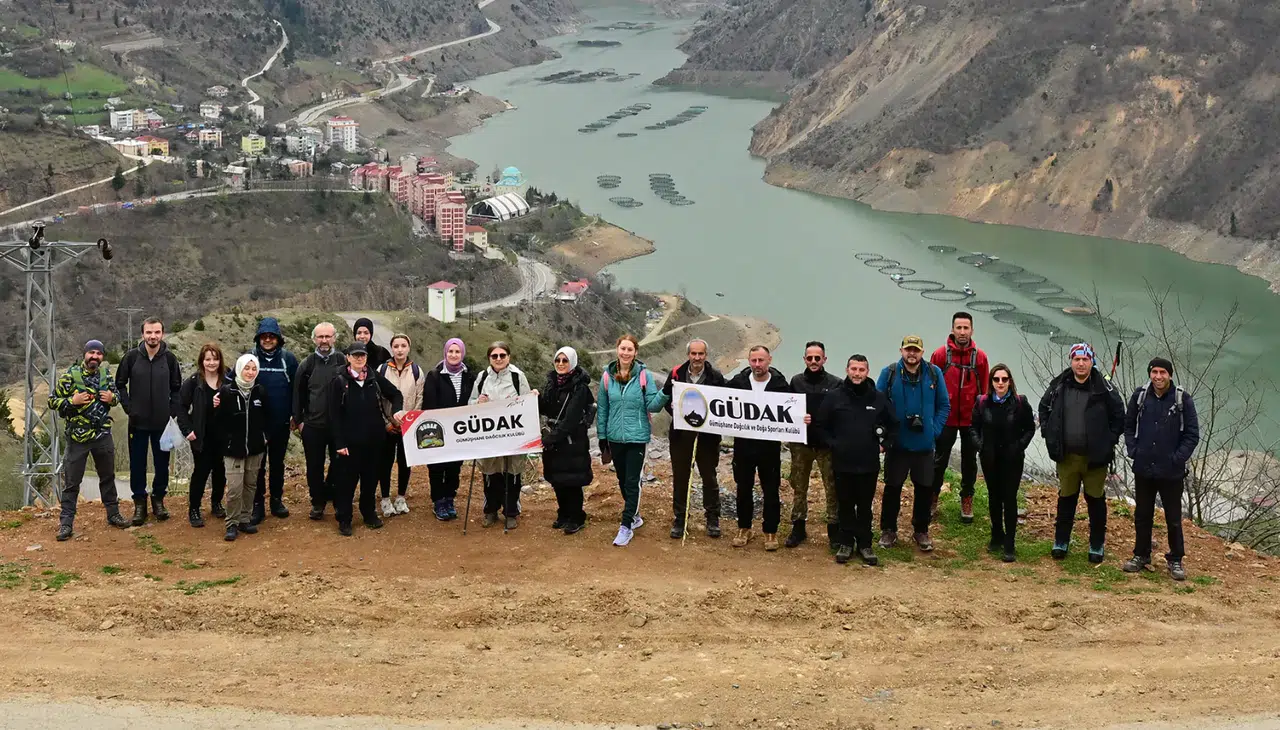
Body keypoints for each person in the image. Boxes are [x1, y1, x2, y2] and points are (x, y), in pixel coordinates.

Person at [1038, 343, 1125, 563]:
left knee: (1095, 501)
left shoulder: (1103, 388)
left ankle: (1096, 544)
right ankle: (1061, 541)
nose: (1080, 363)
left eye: (1085, 360)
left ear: (1091, 362)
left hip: (1095, 458)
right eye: (1077, 359)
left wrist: (1109, 440)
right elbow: (1043, 407)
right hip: (1067, 456)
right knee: (1066, 499)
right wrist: (1049, 433)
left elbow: (1119, 415)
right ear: (1071, 361)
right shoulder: (1059, 384)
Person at [811, 354, 897, 566]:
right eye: (853, 369)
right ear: (847, 370)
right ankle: (846, 543)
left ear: (867, 372)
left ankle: (865, 545)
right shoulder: (834, 396)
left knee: (865, 506)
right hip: (842, 463)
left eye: (861, 370)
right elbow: (820, 425)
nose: (857, 373)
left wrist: (884, 444)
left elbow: (894, 425)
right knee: (846, 505)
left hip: (868, 463)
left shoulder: (878, 398)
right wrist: (834, 444)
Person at [1122, 357, 1200, 581]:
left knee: (1173, 517)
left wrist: (1177, 459)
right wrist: (1133, 450)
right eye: (1154, 372)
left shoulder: (1182, 399)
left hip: (1171, 471)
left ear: (1170, 375)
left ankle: (1175, 559)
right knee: (1142, 515)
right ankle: (1141, 555)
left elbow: (1192, 435)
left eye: (1162, 372)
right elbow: (1128, 426)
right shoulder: (1140, 396)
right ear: (1150, 373)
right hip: (1144, 467)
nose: (1158, 376)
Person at [48, 339, 129, 540]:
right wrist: (71, 401)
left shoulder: (105, 375)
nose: (95, 357)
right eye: (91, 353)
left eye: (99, 354)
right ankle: (66, 524)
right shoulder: (70, 376)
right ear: (85, 354)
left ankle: (113, 514)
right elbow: (52, 401)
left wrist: (112, 399)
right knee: (72, 483)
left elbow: (117, 396)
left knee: (108, 477)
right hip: (78, 438)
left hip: (102, 434)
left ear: (102, 357)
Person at [876, 335, 950, 552]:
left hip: (924, 446)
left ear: (922, 352)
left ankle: (921, 530)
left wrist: (932, 430)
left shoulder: (934, 374)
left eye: (915, 350)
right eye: (908, 349)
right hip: (897, 446)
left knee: (925, 489)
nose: (911, 354)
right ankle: (888, 530)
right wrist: (885, 435)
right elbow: (878, 405)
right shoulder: (889, 373)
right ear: (901, 351)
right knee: (892, 489)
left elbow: (944, 405)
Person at [598, 334, 668, 547]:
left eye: (630, 349)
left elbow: (653, 406)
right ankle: (635, 515)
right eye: (623, 349)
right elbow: (603, 408)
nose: (626, 353)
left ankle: (626, 526)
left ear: (635, 352)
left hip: (637, 437)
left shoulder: (644, 376)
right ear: (617, 350)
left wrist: (666, 391)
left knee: (632, 481)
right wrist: (602, 437)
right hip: (615, 437)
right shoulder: (607, 377)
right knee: (622, 480)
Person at [328, 342, 405, 536]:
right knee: (347, 482)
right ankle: (344, 519)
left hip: (374, 440)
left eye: (362, 355)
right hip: (350, 443)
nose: (359, 358)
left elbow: (396, 393)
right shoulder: (339, 381)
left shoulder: (373, 376)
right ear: (348, 357)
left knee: (370, 480)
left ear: (366, 357)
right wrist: (339, 443)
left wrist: (396, 411)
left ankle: (368, 513)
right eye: (355, 355)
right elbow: (334, 415)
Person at [115, 317, 182, 526]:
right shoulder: (132, 358)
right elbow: (120, 384)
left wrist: (171, 411)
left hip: (163, 425)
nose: (153, 336)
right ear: (142, 334)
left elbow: (177, 388)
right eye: (149, 332)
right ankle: (140, 504)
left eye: (157, 332)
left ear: (162, 334)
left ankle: (158, 500)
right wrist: (129, 408)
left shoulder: (170, 359)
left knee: (162, 466)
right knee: (137, 465)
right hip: (138, 423)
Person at [725, 345, 791, 551]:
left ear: (769, 360)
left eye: (761, 360)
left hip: (769, 448)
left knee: (771, 490)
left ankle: (770, 531)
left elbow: (791, 412)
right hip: (743, 446)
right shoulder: (738, 383)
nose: (757, 365)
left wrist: (801, 419)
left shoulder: (781, 385)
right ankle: (744, 527)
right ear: (748, 360)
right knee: (743, 488)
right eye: (753, 360)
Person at [661, 338, 726, 539]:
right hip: (681, 436)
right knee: (681, 478)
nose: (697, 358)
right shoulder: (676, 374)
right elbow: (666, 398)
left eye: (701, 354)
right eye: (693, 354)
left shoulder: (716, 377)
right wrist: (674, 411)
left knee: (709, 477)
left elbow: (724, 404)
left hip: (708, 438)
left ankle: (712, 518)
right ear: (688, 354)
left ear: (706, 355)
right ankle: (680, 518)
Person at [929, 312, 989, 524]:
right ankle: (932, 498)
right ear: (952, 329)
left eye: (966, 328)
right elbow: (930, 388)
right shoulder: (939, 355)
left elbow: (985, 392)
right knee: (938, 461)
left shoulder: (979, 357)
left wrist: (984, 419)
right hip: (945, 418)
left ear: (972, 330)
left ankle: (967, 499)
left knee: (969, 462)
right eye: (959, 328)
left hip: (970, 419)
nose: (962, 332)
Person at [972, 364, 1036, 562]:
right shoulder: (982, 402)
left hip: (1012, 459)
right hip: (989, 458)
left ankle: (1010, 542)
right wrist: (980, 446)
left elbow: (1030, 428)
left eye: (1004, 379)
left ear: (1010, 381)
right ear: (991, 382)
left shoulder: (1020, 403)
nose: (1000, 383)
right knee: (993, 497)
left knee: (1009, 498)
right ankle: (996, 535)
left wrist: (1019, 446)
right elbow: (973, 427)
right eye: (996, 379)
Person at [470, 341, 530, 530]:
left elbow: (527, 403)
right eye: (494, 356)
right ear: (489, 358)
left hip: (512, 436)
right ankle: (490, 511)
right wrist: (477, 402)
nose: (498, 359)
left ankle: (511, 512)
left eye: (502, 355)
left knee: (512, 473)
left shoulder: (517, 377)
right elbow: (470, 403)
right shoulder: (482, 377)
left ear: (508, 357)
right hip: (488, 436)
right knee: (490, 474)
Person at [787, 341, 842, 549]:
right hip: (801, 443)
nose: (813, 361)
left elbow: (840, 412)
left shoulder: (836, 383)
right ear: (804, 359)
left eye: (817, 358)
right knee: (799, 486)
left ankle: (834, 530)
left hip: (826, 445)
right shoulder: (796, 381)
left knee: (832, 487)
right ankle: (798, 527)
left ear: (824, 359)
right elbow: (786, 409)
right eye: (809, 358)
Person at [539, 347, 594, 535]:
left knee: (572, 480)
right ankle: (563, 514)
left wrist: (550, 439)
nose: (561, 364)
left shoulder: (580, 387)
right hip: (556, 438)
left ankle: (576, 517)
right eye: (558, 360)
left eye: (565, 360)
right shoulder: (552, 383)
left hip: (572, 440)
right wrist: (535, 399)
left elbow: (571, 419)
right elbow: (546, 407)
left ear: (572, 362)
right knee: (558, 478)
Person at [213, 354, 268, 541]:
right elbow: (218, 421)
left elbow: (267, 419)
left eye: (254, 369)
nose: (250, 372)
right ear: (239, 369)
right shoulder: (227, 392)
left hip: (255, 448)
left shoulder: (260, 392)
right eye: (247, 368)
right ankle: (232, 523)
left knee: (250, 485)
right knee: (234, 489)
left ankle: (245, 519)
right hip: (233, 450)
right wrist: (226, 443)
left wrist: (264, 439)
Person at [249, 317, 298, 525]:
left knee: (277, 463)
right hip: (256, 424)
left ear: (278, 339)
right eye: (264, 336)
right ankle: (257, 504)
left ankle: (276, 501)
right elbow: (235, 381)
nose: (268, 340)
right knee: (257, 465)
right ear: (259, 338)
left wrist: (296, 415)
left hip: (281, 423)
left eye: (272, 336)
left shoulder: (289, 359)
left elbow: (297, 389)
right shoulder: (250, 358)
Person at [294, 322, 344, 521]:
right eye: (320, 337)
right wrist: (299, 422)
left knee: (340, 465)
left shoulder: (343, 361)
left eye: (328, 336)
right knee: (314, 466)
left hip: (338, 425)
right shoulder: (306, 364)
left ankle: (338, 501)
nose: (324, 340)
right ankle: (317, 503)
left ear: (335, 338)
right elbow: (297, 394)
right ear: (314, 339)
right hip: (313, 425)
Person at [422, 338, 474, 521]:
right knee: (437, 467)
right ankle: (438, 501)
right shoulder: (435, 375)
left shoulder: (469, 376)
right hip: (438, 431)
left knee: (454, 467)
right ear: (445, 353)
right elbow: (429, 404)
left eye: (457, 352)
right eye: (450, 351)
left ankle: (449, 499)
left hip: (460, 432)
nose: (453, 355)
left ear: (462, 353)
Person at [177, 343, 229, 527]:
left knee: (221, 472)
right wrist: (188, 430)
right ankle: (194, 508)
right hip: (202, 436)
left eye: (215, 358)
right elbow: (180, 407)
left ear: (220, 360)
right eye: (208, 359)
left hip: (223, 435)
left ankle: (216, 503)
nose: (212, 362)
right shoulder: (193, 382)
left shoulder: (228, 379)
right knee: (200, 472)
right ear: (202, 361)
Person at [376, 334, 424, 517]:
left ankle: (401, 497)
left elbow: (420, 398)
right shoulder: (382, 370)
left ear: (408, 348)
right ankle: (385, 498)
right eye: (396, 346)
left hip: (407, 427)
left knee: (405, 462)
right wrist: (386, 422)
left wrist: (410, 422)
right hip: (387, 426)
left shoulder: (417, 372)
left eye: (403, 345)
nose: (400, 349)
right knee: (385, 463)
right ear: (391, 348)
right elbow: (377, 398)